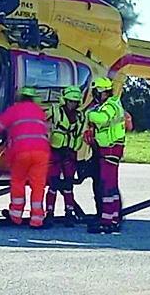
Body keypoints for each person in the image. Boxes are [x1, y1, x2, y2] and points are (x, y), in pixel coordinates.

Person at [0, 87, 50, 229]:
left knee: (18, 182)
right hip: (42, 152)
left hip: (21, 152)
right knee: (38, 185)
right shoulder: (39, 112)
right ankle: (37, 218)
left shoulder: (15, 110)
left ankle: (15, 216)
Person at [86, 77, 127, 235]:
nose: (95, 95)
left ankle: (107, 221)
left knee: (107, 187)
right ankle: (114, 218)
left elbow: (102, 119)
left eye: (96, 92)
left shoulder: (110, 106)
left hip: (110, 150)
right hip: (109, 150)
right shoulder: (111, 104)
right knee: (111, 185)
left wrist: (89, 114)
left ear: (102, 92)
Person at [45, 85, 86, 227]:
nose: (72, 104)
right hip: (55, 151)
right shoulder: (54, 110)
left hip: (70, 153)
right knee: (53, 185)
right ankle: (49, 214)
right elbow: (42, 120)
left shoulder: (81, 116)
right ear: (65, 100)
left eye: (75, 102)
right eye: (70, 101)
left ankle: (69, 214)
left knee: (68, 185)